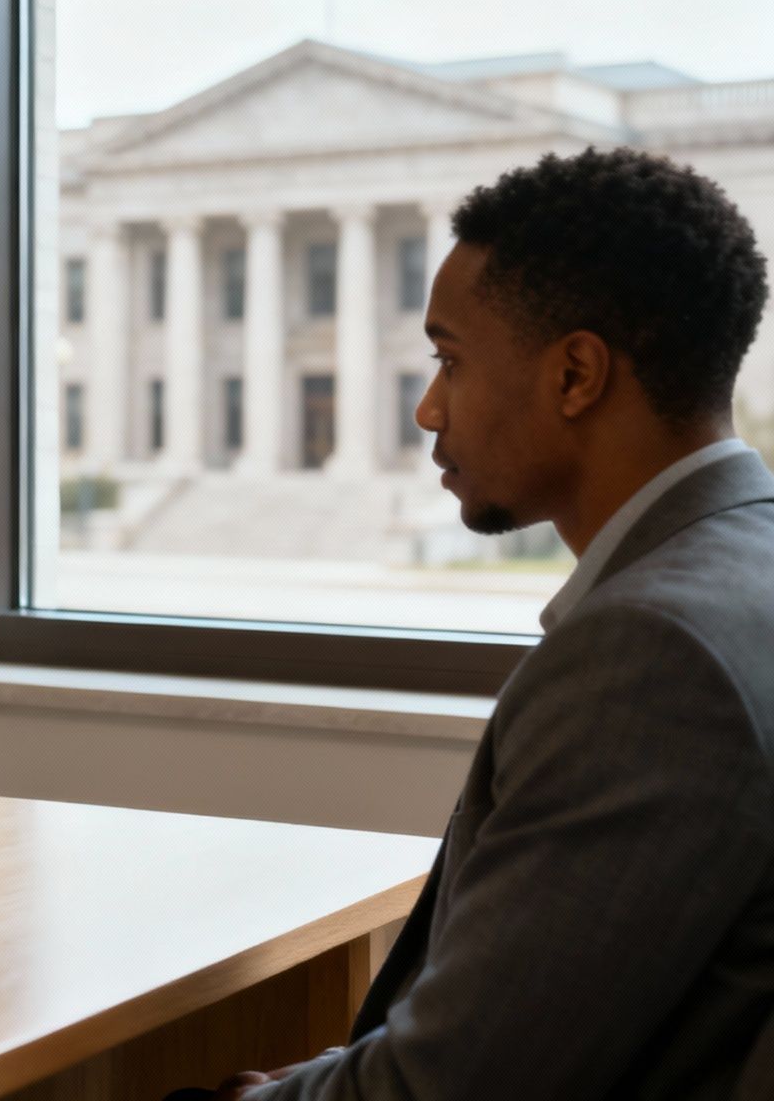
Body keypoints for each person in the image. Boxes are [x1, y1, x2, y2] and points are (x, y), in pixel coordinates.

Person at [193, 148, 774, 1099]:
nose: (427, 408)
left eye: (450, 360)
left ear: (576, 374)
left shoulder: (655, 657)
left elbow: (454, 1086)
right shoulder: (745, 571)